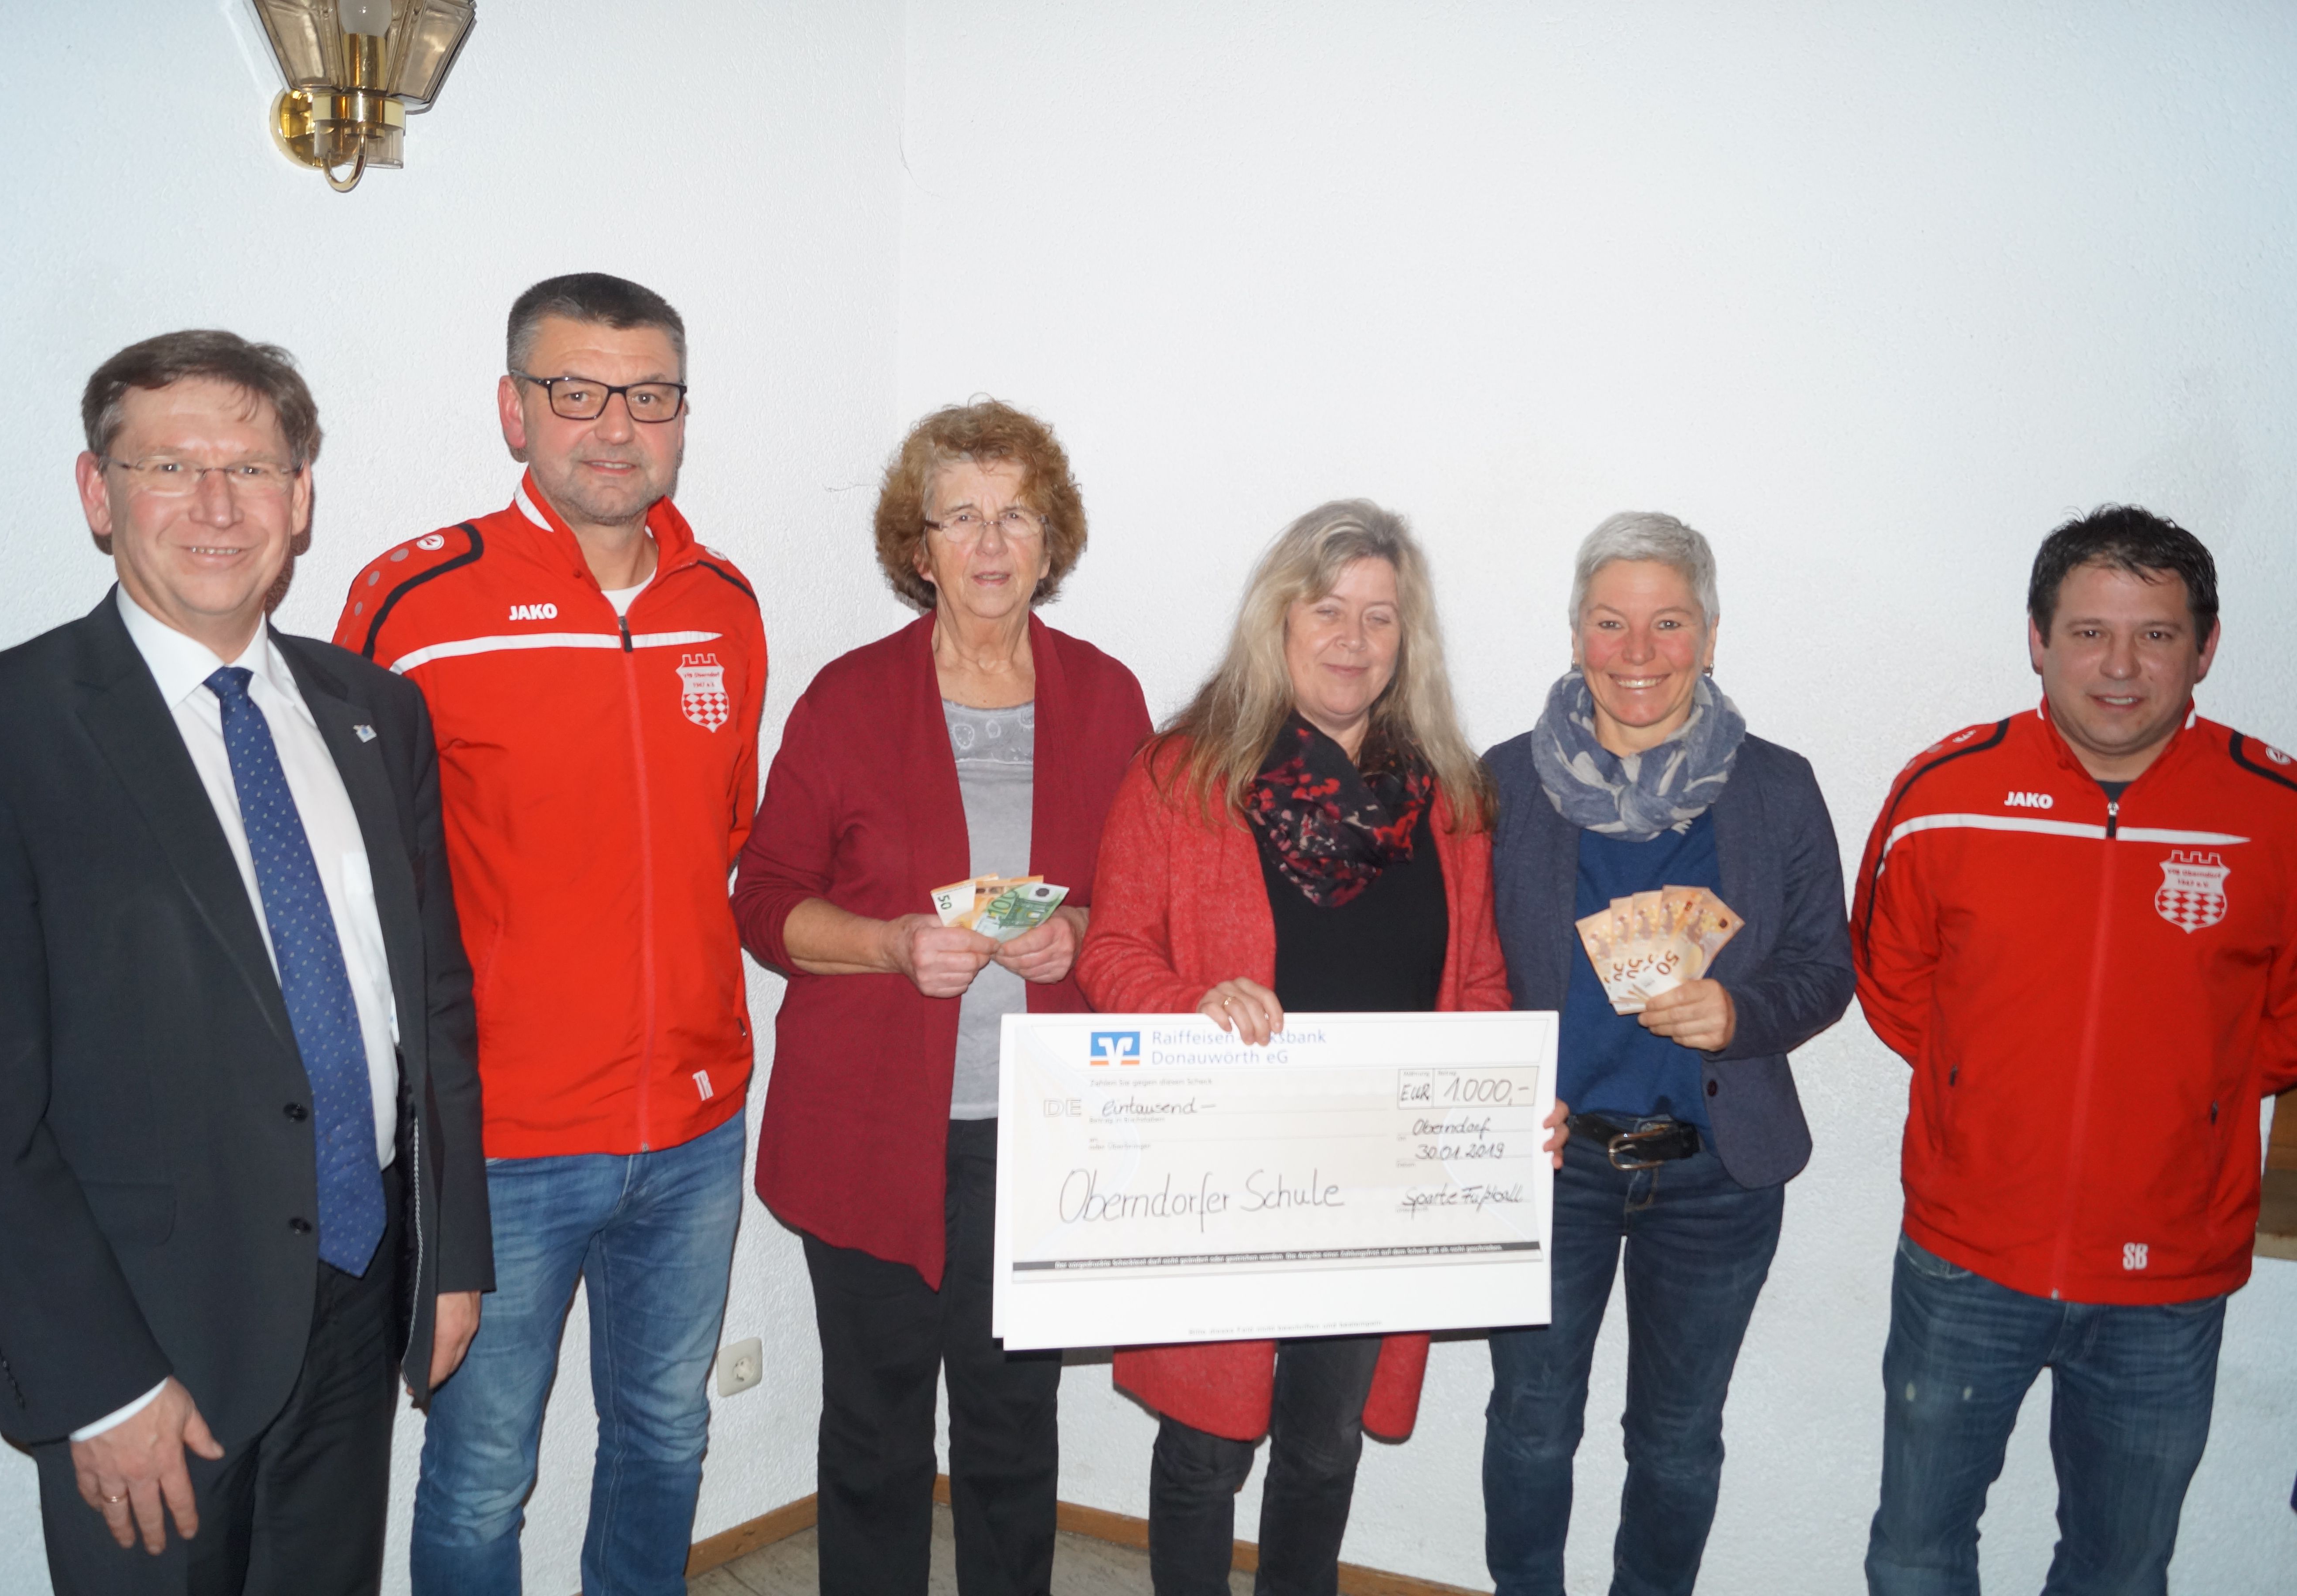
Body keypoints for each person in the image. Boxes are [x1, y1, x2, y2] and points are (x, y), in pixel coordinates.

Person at [0, 330, 491, 1595]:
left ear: (302, 496)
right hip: (150, 1340)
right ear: (97, 492)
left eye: (255, 468)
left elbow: (432, 1007)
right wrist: (99, 1382)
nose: (219, 507)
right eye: (170, 467)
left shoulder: (375, 712)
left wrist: (451, 1262)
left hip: (361, 1293)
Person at [334, 273, 767, 1596]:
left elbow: (722, 836)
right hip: (503, 1141)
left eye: (650, 395)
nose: (617, 427)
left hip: (695, 1124)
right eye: (578, 392)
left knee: (667, 1431)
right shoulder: (417, 602)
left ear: (682, 414)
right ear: (514, 410)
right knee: (480, 1472)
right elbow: (361, 879)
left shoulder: (725, 603)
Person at [1078, 500, 1561, 1596]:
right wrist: (1193, 1004)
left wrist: (1498, 1104)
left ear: (1406, 639)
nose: (1352, 637)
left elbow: (1478, 986)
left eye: (1379, 616)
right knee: (1206, 1447)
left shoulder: (1451, 798)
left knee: (1325, 1442)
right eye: (1328, 609)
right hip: (1220, 1168)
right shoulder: (1182, 775)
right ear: (1279, 621)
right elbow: (1110, 950)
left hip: (1374, 1179)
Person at [733, 399, 1149, 1595]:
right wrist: (887, 944)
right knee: (875, 1435)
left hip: (1042, 1133)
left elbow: (1146, 898)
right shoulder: (849, 698)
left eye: (1016, 514)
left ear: (1051, 539)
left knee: (1014, 1430)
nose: (990, 542)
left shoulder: (1107, 697)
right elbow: (764, 902)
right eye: (960, 516)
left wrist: (1081, 933)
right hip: (868, 1128)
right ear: (918, 549)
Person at [1853, 505, 2297, 1596]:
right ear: (2038, 638)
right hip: (1967, 1256)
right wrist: (1985, 1091)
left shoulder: (2276, 814)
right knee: (1913, 1553)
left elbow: (2284, 1028)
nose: (2120, 666)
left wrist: (2185, 1103)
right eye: (2089, 631)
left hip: (2168, 1274)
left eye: (2155, 634)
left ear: (2205, 646)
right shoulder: (1943, 797)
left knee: (2121, 1567)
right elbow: (1895, 988)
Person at [1478, 512, 1853, 1596]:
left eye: (1668, 623)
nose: (1637, 652)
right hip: (1553, 1167)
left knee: (1678, 1439)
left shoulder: (1776, 787)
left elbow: (1826, 967)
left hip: (1713, 1177)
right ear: (1576, 634)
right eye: (1610, 622)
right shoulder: (1500, 785)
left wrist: (1742, 1015)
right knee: (1532, 1424)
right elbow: (1457, 967)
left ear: (1710, 635)